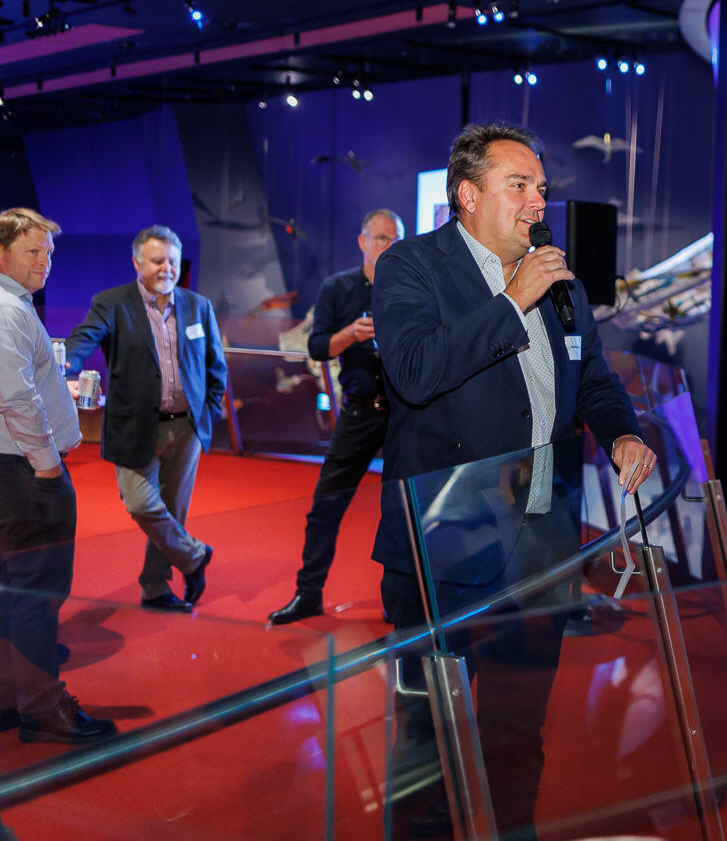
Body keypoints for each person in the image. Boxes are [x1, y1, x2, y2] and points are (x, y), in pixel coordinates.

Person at [371, 123, 657, 837]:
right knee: (427, 741)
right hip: (444, 545)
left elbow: (593, 381)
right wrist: (511, 302)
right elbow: (414, 372)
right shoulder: (412, 266)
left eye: (541, 188)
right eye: (519, 186)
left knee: (517, 729)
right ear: (468, 195)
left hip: (540, 544)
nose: (537, 201)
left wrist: (621, 432)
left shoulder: (559, 281)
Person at [64, 225, 227, 613]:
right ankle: (194, 556)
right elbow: (83, 340)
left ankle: (155, 587)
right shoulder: (112, 303)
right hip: (135, 426)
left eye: (172, 261)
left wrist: (207, 412)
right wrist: (64, 364)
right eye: (157, 261)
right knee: (141, 504)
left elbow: (215, 366)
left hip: (186, 427)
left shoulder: (198, 306)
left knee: (173, 511)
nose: (167, 268)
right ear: (137, 263)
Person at [0, 207, 116, 743]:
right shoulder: (7, 310)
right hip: (24, 473)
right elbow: (16, 398)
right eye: (33, 250)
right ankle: (43, 707)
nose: (45, 261)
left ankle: (12, 698)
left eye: (48, 252)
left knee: (13, 590)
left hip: (14, 469)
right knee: (36, 593)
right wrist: (47, 464)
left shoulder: (14, 305)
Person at [268, 209, 404, 625]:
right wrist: (350, 334)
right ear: (362, 241)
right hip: (359, 411)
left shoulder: (412, 284)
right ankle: (308, 593)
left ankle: (399, 601)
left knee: (402, 512)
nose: (388, 246)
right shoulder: (338, 288)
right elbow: (316, 347)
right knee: (325, 506)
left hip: (405, 416)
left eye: (394, 239)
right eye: (380, 238)